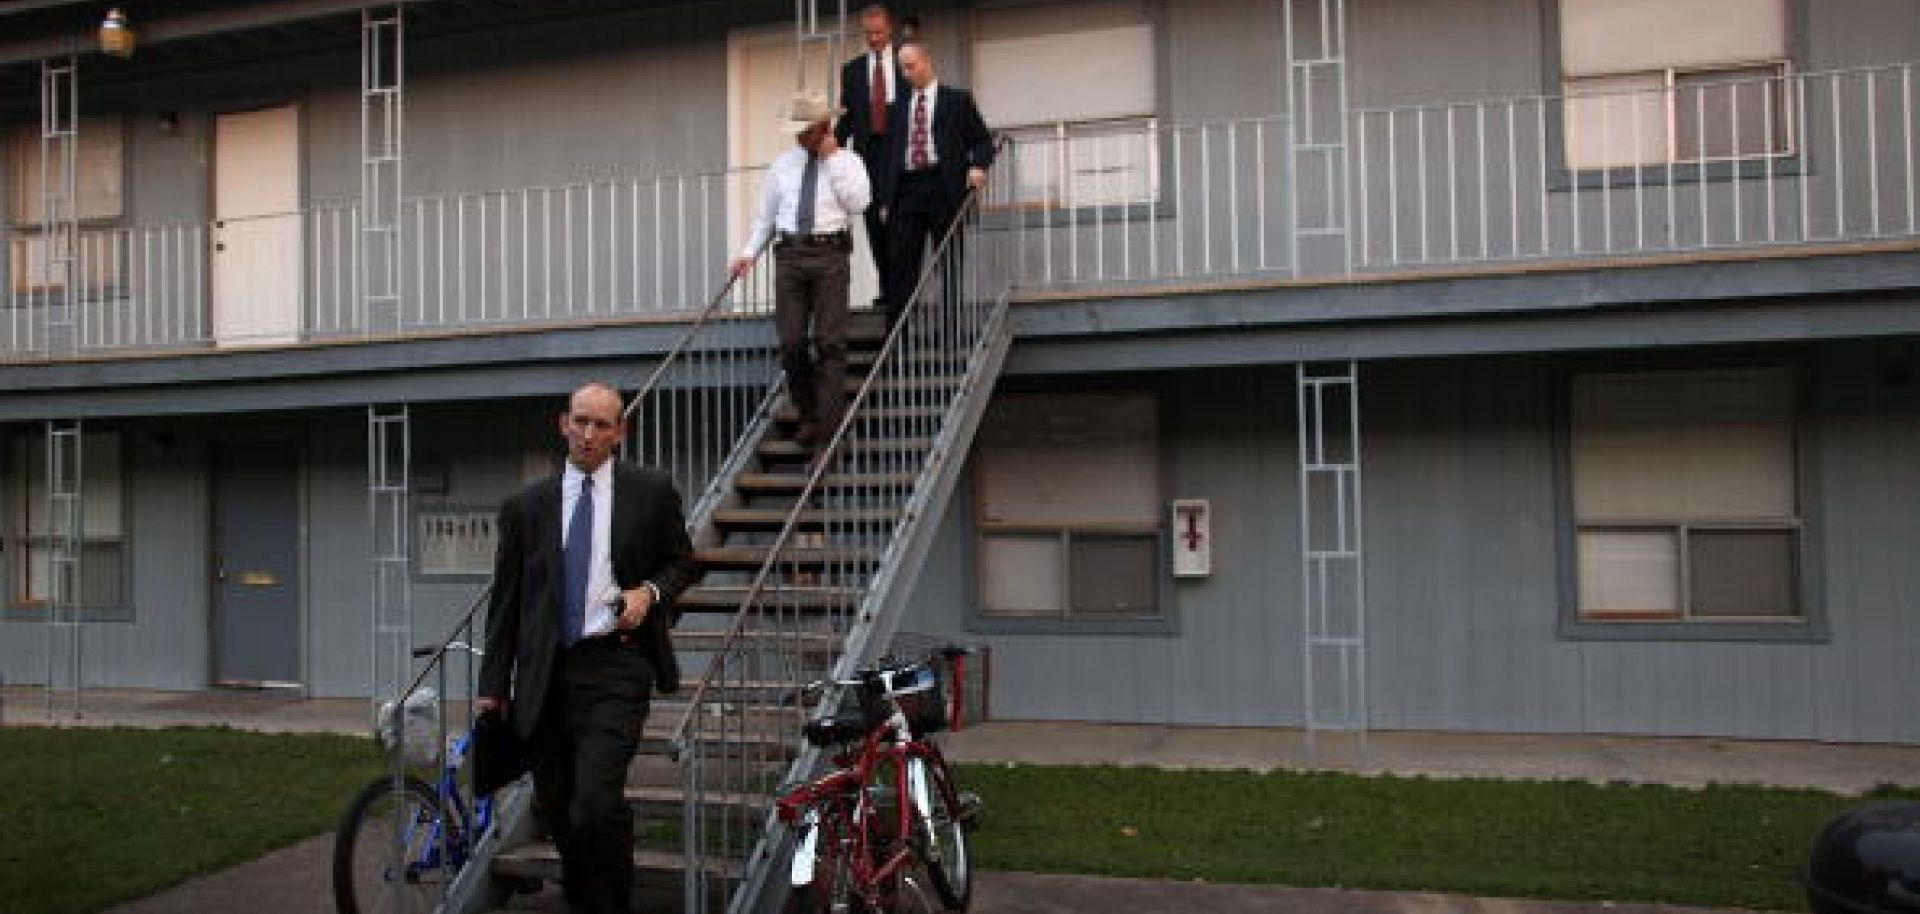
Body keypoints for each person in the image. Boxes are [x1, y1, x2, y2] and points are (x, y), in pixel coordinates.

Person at [477, 381, 701, 914]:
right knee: (558, 809)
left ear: (619, 433)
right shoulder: (524, 507)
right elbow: (505, 602)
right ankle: (587, 898)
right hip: (543, 677)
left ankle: (611, 903)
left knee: (595, 805)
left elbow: (684, 563)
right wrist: (492, 687)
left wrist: (649, 593)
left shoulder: (650, 492)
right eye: (580, 421)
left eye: (601, 424)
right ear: (563, 424)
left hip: (616, 667)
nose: (588, 433)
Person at [732, 90, 872, 455]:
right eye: (796, 132)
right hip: (790, 255)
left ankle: (828, 430)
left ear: (825, 128)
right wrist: (748, 252)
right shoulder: (783, 165)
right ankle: (809, 414)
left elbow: (859, 203)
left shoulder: (849, 161)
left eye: (805, 131)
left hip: (830, 255)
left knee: (830, 342)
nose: (799, 138)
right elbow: (766, 217)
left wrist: (833, 160)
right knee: (791, 343)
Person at [876, 41, 994, 328]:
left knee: (949, 262)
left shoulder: (957, 100)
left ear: (927, 62)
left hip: (944, 187)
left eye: (910, 66)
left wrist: (978, 166)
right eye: (901, 68)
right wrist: (885, 199)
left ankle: (952, 332)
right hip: (906, 190)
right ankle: (898, 336)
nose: (906, 73)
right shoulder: (897, 109)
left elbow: (982, 140)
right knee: (901, 265)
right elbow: (888, 155)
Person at [835, 4, 904, 307]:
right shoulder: (851, 71)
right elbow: (847, 119)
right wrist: (829, 148)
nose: (873, 39)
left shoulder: (906, 61)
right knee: (874, 221)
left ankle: (903, 288)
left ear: (890, 30)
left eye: (878, 32)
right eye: (868, 34)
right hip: (868, 155)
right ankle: (888, 288)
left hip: (900, 151)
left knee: (901, 222)